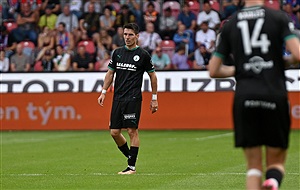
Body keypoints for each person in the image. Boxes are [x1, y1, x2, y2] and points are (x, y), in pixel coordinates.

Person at [208, 0, 300, 189]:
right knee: (276, 163)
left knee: (253, 168)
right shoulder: (278, 17)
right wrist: (278, 62)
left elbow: (214, 71)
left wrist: (241, 68)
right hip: (274, 94)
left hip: (244, 97)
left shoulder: (230, 24)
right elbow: (297, 55)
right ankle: (273, 181)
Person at [97, 23, 158, 175]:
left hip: (133, 98)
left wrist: (154, 98)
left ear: (137, 36)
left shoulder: (143, 55)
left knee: (132, 130)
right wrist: (103, 91)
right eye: (125, 34)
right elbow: (110, 73)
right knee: (114, 132)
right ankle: (131, 157)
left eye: (130, 35)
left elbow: (152, 76)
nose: (127, 37)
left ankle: (131, 167)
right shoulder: (117, 53)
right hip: (118, 97)